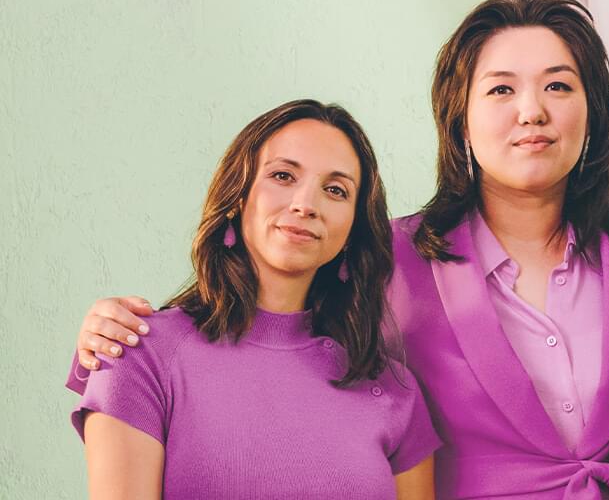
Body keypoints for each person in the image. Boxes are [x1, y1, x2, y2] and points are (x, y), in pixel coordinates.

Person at [66, 0, 609, 499]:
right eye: (501, 89)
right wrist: (110, 336)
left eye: (559, 86)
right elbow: (261, 348)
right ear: (460, 119)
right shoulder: (383, 259)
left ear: (594, 110)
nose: (532, 110)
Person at [71, 99, 439, 499]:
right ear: (238, 196)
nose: (305, 204)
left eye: (335, 190)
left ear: (353, 228)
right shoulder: (137, 352)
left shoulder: (393, 390)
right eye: (282, 175)